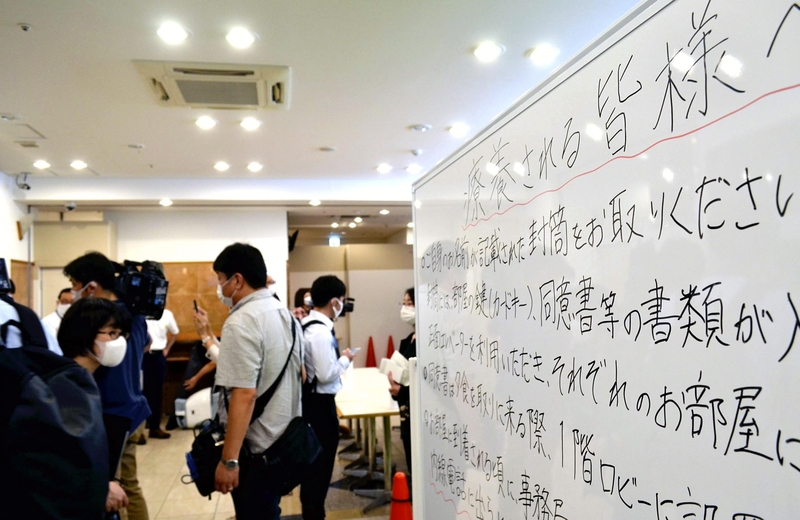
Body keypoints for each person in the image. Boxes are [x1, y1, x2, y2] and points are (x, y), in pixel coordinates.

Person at [212, 243, 302, 520]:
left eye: (221, 279)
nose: (220, 288)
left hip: (254, 449)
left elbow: (244, 394)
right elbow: (301, 374)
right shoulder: (286, 315)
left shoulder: (241, 321)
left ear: (237, 280)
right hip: (284, 442)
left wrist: (229, 460)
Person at [63, 252, 151, 520]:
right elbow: (147, 344)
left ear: (91, 287)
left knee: (115, 488)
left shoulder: (101, 320)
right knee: (129, 484)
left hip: (112, 414)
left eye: (74, 285)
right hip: (133, 406)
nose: (73, 291)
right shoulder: (134, 314)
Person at [59, 297, 133, 516]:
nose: (118, 341)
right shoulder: (64, 386)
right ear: (84, 334)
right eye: (111, 333)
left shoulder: (87, 379)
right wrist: (100, 487)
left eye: (120, 335)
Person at [300, 275, 356, 520]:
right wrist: (345, 360)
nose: (342, 304)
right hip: (320, 408)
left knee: (313, 471)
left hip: (310, 404)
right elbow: (325, 374)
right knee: (319, 472)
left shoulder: (306, 325)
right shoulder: (321, 332)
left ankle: (312, 512)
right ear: (334, 301)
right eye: (342, 299)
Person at [389, 288, 417, 475]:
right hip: (406, 411)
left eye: (410, 304)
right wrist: (395, 388)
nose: (405, 309)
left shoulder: (430, 341)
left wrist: (402, 391)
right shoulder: (407, 341)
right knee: (410, 458)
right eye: (404, 304)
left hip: (420, 412)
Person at [143, 308, 179, 439]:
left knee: (157, 392)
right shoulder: (141, 314)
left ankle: (154, 427)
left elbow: (175, 332)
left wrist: (167, 349)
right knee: (140, 391)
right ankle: (138, 431)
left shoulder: (167, 314)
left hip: (158, 355)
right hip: (142, 356)